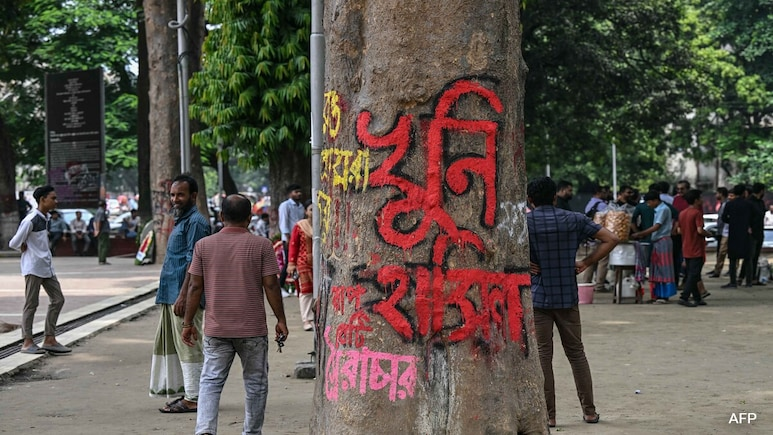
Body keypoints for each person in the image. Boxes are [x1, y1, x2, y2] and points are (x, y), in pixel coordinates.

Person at [181, 194, 288, 435]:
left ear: (221, 216)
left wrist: (187, 323)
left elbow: (195, 287)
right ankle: (251, 432)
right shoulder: (262, 245)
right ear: (249, 218)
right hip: (252, 329)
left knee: (210, 381)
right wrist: (280, 319)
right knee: (256, 383)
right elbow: (271, 285)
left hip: (216, 329)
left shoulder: (203, 246)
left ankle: (205, 430)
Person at [526, 177, 619, 428]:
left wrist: (525, 263)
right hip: (567, 295)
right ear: (555, 197)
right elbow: (611, 238)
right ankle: (589, 411)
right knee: (576, 354)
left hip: (538, 296)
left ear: (530, 199)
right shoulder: (574, 219)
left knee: (543, 356)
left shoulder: (525, 222)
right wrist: (586, 262)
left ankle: (549, 415)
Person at [150, 174, 212, 413]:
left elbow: (194, 262)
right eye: (173, 195)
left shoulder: (196, 222)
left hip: (183, 295)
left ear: (193, 196)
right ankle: (189, 393)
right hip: (171, 293)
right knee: (178, 344)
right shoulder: (182, 220)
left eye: (180, 195)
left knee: (189, 343)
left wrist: (184, 295)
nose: (175, 199)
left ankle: (194, 398)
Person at [8, 185, 71, 354]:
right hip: (33, 267)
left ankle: (49, 339)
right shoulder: (31, 219)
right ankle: (27, 342)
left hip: (46, 267)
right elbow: (13, 242)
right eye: (53, 198)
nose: (56, 201)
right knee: (31, 304)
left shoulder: (45, 218)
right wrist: (21, 246)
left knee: (58, 299)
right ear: (43, 199)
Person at [631, 190, 676, 303]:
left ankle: (665, 295)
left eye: (649, 202)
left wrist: (640, 234)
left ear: (655, 200)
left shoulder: (663, 209)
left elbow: (656, 226)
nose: (648, 205)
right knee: (656, 268)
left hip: (663, 240)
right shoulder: (658, 210)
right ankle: (656, 294)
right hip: (656, 241)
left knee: (664, 268)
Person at [678, 190, 711, 307]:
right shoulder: (697, 213)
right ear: (696, 200)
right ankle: (684, 296)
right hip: (696, 247)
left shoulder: (682, 213)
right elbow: (700, 230)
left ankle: (697, 297)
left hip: (686, 246)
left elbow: (679, 230)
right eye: (700, 198)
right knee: (694, 274)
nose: (702, 200)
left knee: (693, 273)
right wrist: (708, 234)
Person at [287, 200, 314, 331]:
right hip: (303, 263)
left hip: (320, 264)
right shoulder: (300, 226)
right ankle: (306, 319)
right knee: (306, 291)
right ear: (306, 212)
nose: (314, 212)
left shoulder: (323, 225)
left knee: (320, 290)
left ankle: (316, 317)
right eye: (311, 209)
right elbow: (294, 245)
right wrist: (291, 263)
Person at [721, 184, 753, 288]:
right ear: (744, 192)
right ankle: (748, 281)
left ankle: (733, 282)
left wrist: (732, 221)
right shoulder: (748, 204)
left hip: (734, 232)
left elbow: (724, 218)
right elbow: (755, 216)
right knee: (747, 258)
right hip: (745, 232)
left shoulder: (730, 204)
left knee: (733, 258)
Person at [580, 184, 610, 292]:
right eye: (604, 192)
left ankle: (586, 283)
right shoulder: (602, 205)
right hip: (600, 235)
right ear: (598, 192)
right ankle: (599, 285)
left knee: (590, 260)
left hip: (591, 235)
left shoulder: (590, 203)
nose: (606, 194)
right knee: (603, 260)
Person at [277, 184, 305, 288]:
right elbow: (283, 223)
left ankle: (297, 285)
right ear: (290, 194)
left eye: (300, 192)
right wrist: (288, 237)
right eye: (296, 192)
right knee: (289, 262)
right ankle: (280, 286)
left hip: (300, 237)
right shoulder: (285, 205)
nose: (299, 194)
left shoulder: (301, 206)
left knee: (299, 261)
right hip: (289, 238)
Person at [739, 183, 765, 285]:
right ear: (761, 191)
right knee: (749, 256)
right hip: (751, 232)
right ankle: (743, 277)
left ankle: (752, 277)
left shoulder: (760, 202)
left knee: (755, 255)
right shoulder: (749, 202)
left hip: (759, 231)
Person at [708, 188, 729, 278]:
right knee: (719, 251)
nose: (716, 195)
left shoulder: (726, 204)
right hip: (721, 230)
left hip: (725, 231)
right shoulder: (722, 204)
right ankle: (717, 268)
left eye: (717, 193)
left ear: (721, 194)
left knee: (722, 251)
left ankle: (719, 269)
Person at [94, 199, 111, 265]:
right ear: (104, 205)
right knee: (104, 245)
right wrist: (98, 230)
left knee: (101, 245)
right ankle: (102, 259)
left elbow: (95, 221)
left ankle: (101, 259)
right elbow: (99, 221)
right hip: (103, 231)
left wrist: (96, 230)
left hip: (101, 230)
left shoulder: (98, 211)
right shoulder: (101, 212)